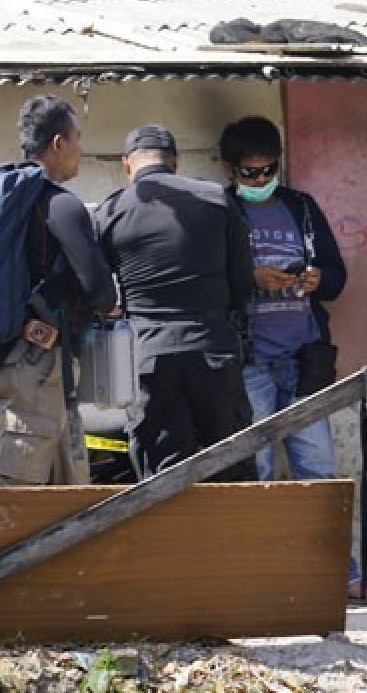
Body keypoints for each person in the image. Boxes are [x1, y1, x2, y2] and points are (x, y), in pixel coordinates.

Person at [218, 116, 361, 594]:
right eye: (250, 173)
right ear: (230, 169)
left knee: (317, 467)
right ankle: (263, 578)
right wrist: (251, 279)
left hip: (303, 360)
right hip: (251, 361)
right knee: (255, 468)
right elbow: (210, 285)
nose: (260, 181)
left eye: (268, 170)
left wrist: (319, 279)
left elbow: (338, 278)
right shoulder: (221, 211)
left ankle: (337, 577)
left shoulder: (301, 209)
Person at [93, 124, 256, 481]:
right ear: (175, 162)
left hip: (149, 356)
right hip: (214, 348)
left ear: (127, 165)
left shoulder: (111, 211)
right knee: (230, 465)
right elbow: (244, 282)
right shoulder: (216, 199)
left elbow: (99, 291)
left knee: (161, 475)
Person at [0, 95, 117, 486]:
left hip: (9, 357)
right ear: (59, 144)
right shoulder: (60, 205)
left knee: (65, 484)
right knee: (19, 487)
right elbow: (100, 289)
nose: (81, 148)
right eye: (77, 138)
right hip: (38, 363)